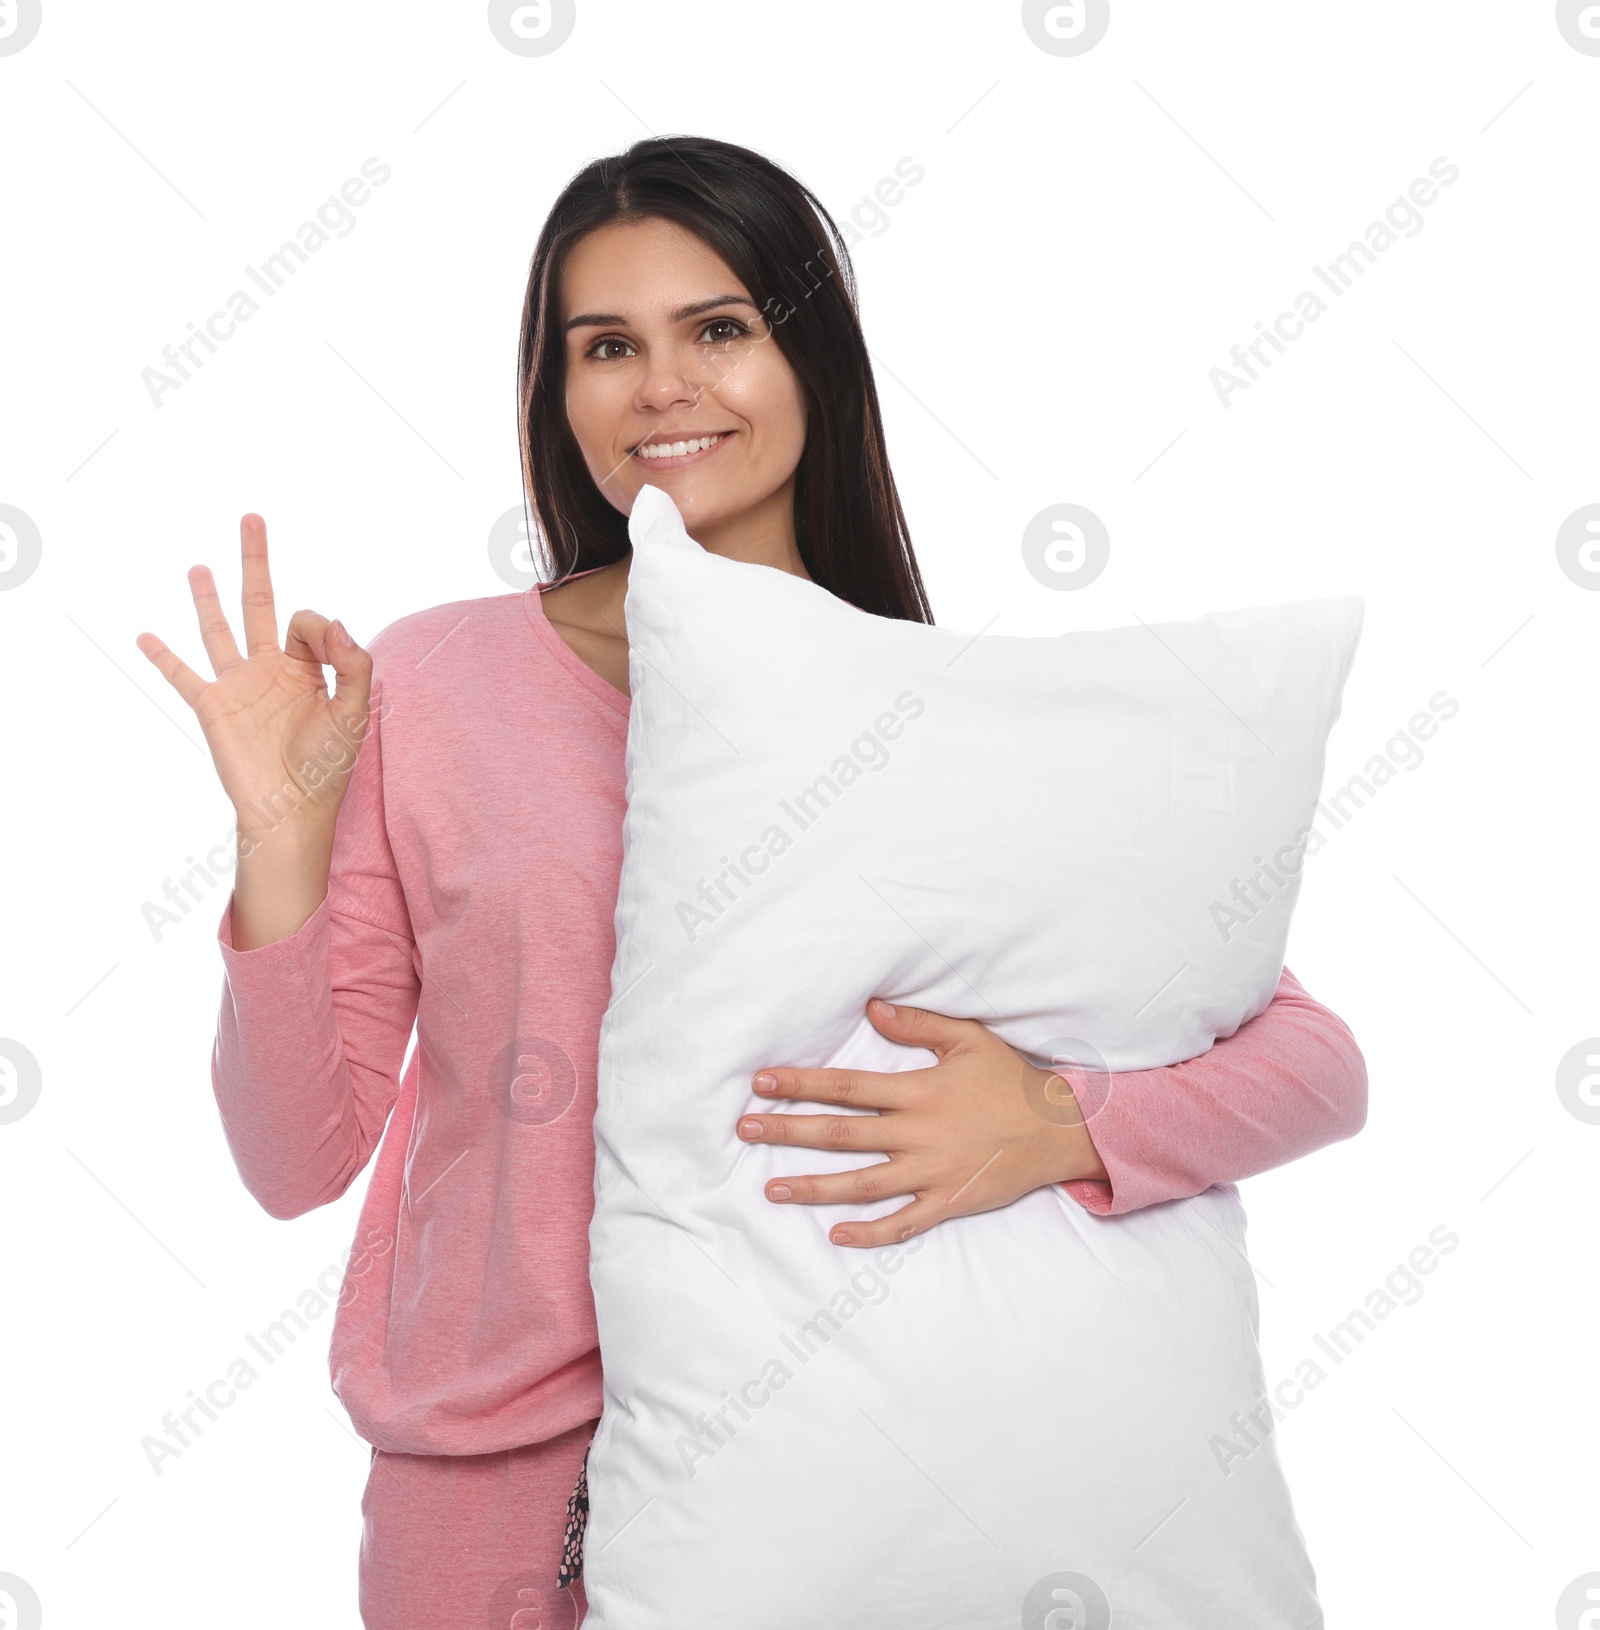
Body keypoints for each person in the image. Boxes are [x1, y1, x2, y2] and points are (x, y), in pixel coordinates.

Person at [135, 136, 1366, 1630]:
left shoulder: (930, 711)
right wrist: (282, 842)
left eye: (720, 328)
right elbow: (294, 1156)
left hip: (829, 1478)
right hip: (497, 1488)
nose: (665, 387)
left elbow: (1310, 1059)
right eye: (607, 346)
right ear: (557, 393)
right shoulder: (439, 682)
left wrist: (1057, 1120)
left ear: (812, 362)